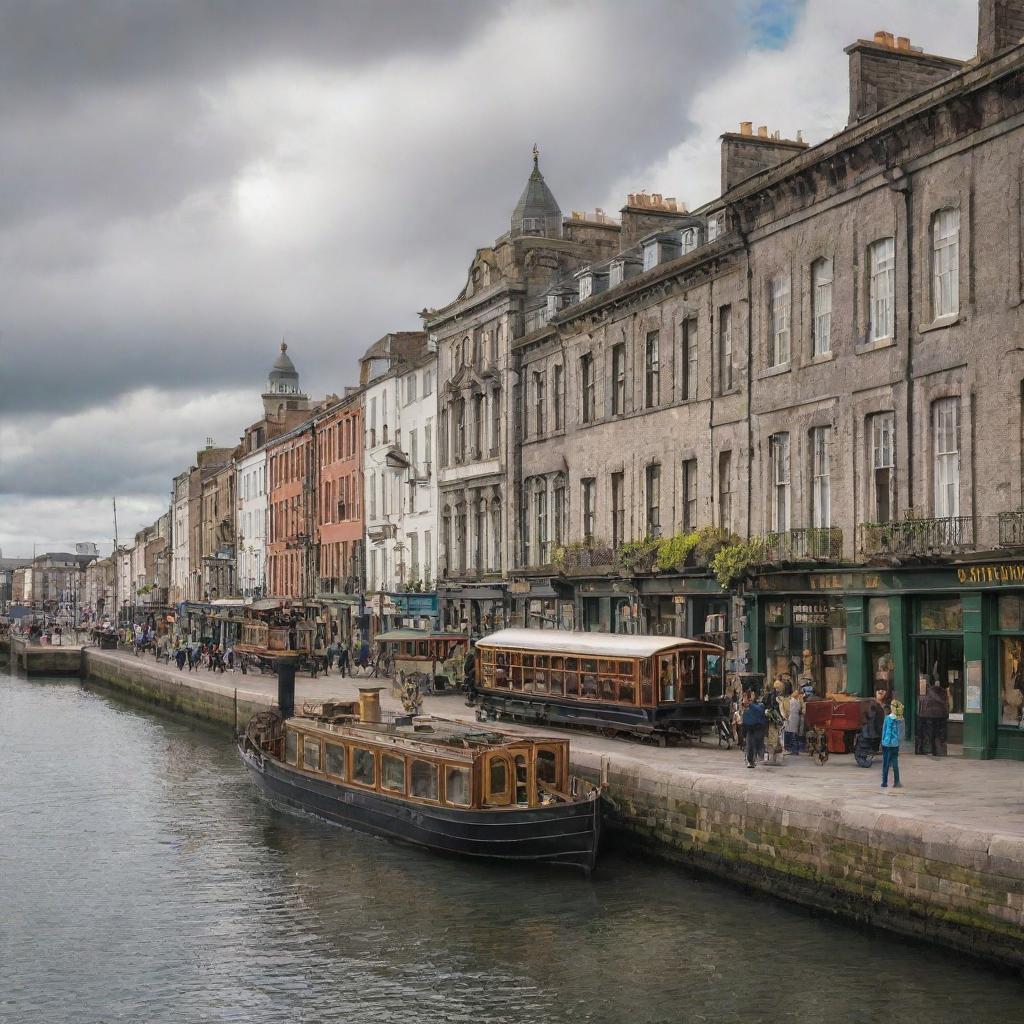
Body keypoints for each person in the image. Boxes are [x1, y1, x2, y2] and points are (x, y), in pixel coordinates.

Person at [917, 679, 950, 756]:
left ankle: (929, 749)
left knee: (929, 733)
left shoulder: (926, 692)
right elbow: (946, 703)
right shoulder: (943, 692)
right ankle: (938, 750)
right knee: (938, 733)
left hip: (927, 715)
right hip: (940, 715)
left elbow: (922, 703)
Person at [881, 699, 905, 788]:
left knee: (885, 764)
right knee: (895, 763)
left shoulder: (887, 718)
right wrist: (898, 742)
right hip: (895, 745)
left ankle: (884, 782)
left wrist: (882, 741)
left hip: (886, 744)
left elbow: (884, 731)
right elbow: (902, 734)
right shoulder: (901, 720)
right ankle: (897, 782)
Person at [741, 694, 768, 768]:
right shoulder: (747, 710)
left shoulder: (756, 707)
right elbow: (744, 723)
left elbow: (744, 723)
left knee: (753, 744)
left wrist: (750, 704)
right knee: (753, 744)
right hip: (754, 729)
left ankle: (753, 760)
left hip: (755, 729)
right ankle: (753, 760)